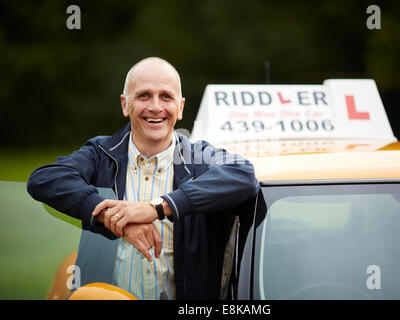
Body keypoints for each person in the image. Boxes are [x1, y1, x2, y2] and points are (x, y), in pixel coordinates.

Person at [27, 57, 259, 300]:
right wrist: (113, 218)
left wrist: (157, 208)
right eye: (144, 96)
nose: (156, 107)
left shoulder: (200, 158)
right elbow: (44, 179)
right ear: (125, 105)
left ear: (180, 108)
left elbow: (244, 175)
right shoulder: (100, 154)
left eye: (166, 97)